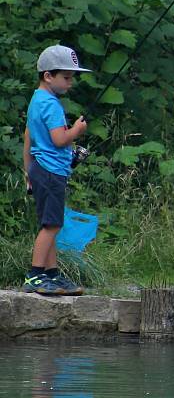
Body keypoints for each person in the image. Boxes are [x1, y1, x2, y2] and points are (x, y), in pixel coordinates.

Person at [23, 45, 91, 296]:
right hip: (51, 171)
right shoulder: (51, 105)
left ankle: (51, 275)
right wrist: (76, 130)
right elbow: (60, 140)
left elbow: (28, 137)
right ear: (48, 75)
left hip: (41, 169)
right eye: (66, 77)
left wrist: (28, 170)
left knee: (50, 223)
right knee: (51, 225)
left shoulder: (36, 100)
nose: (70, 83)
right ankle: (35, 276)